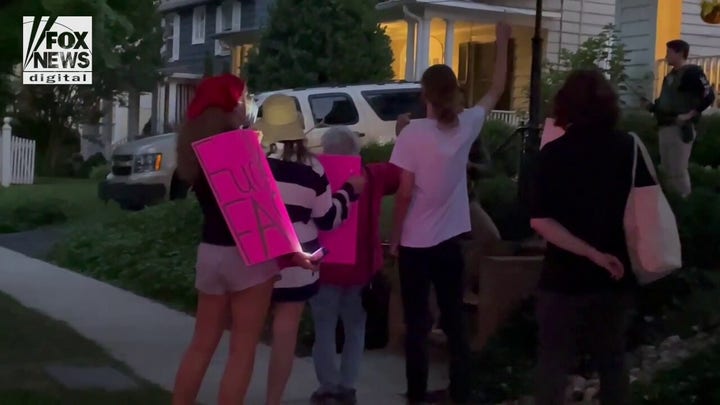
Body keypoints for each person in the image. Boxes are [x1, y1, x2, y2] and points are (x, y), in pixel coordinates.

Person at [389, 22, 512, 405]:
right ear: (454, 92)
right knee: (456, 321)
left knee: (418, 324)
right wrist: (503, 42)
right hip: (450, 243)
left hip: (414, 245)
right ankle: (461, 392)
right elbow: (496, 88)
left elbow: (405, 193)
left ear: (424, 93)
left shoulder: (412, 135)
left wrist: (394, 238)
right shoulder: (467, 127)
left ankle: (416, 394)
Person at [172, 75, 313, 405]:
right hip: (248, 256)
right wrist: (293, 253)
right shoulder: (240, 146)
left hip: (210, 252)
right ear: (231, 104)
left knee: (201, 344)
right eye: (242, 98)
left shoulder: (192, 147)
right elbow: (263, 213)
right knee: (242, 348)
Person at [529, 69, 656, 405]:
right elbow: (648, 205)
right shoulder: (628, 147)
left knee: (553, 363)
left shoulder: (553, 155)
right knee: (612, 360)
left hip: (562, 278)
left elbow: (541, 221)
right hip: (616, 275)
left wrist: (589, 253)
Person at [254, 94, 365, 405]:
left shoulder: (256, 166)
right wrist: (349, 193)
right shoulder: (313, 169)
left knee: (247, 335)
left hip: (258, 258)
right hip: (300, 262)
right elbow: (328, 219)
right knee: (285, 335)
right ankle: (272, 400)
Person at [308, 126, 401, 405]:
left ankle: (327, 386)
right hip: (361, 269)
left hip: (324, 265)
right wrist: (403, 135)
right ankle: (347, 386)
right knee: (355, 328)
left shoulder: (316, 177)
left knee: (324, 327)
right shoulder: (371, 175)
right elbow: (401, 173)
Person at [645, 39, 715, 197]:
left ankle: (684, 202)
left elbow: (708, 96)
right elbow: (667, 104)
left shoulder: (692, 73)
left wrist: (689, 114)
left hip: (680, 129)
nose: (666, 56)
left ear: (680, 53)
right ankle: (672, 201)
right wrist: (652, 107)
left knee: (678, 170)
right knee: (667, 169)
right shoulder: (670, 76)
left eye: (669, 52)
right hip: (665, 126)